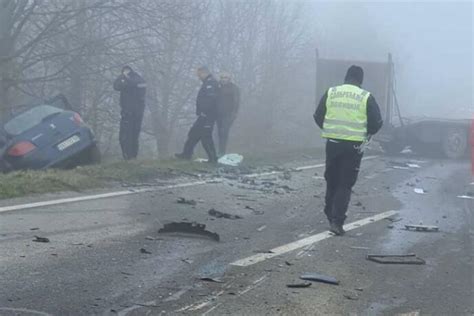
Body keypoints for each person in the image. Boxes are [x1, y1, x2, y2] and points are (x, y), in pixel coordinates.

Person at [313, 65, 383, 236]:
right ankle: (337, 222)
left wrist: (330, 128)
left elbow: (318, 115)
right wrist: (367, 133)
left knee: (332, 178)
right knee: (345, 183)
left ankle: (329, 211)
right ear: (360, 80)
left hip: (333, 143)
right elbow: (376, 122)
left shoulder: (331, 92)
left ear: (346, 77)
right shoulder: (365, 97)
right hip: (354, 146)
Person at [175, 66, 219, 163]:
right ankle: (186, 154)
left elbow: (211, 99)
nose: (198, 77)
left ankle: (213, 158)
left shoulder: (210, 83)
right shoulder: (207, 82)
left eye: (199, 75)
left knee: (206, 137)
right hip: (203, 115)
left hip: (208, 115)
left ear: (204, 73)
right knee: (193, 134)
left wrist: (205, 110)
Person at [113, 66, 146, 160]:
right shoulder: (137, 80)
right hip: (136, 112)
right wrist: (122, 77)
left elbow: (127, 85)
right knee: (132, 135)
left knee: (127, 135)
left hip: (130, 112)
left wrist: (125, 78)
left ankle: (129, 157)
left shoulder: (137, 80)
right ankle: (132, 156)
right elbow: (116, 86)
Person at [216, 72, 240, 156]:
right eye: (222, 77)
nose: (223, 79)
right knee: (219, 132)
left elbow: (236, 101)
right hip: (218, 114)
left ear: (229, 78)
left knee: (224, 132)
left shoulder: (234, 88)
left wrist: (234, 113)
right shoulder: (217, 87)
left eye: (225, 77)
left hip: (228, 114)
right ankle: (219, 151)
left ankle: (222, 152)